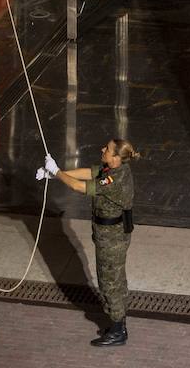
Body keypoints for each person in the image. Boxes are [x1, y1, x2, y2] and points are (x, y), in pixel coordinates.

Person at [44, 138, 140, 346]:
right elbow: (88, 173)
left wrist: (57, 172)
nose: (102, 149)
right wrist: (55, 173)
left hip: (112, 239)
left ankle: (118, 331)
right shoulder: (114, 168)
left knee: (109, 282)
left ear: (116, 157)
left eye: (108, 149)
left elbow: (80, 186)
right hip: (109, 235)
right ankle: (118, 323)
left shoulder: (115, 180)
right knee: (114, 278)